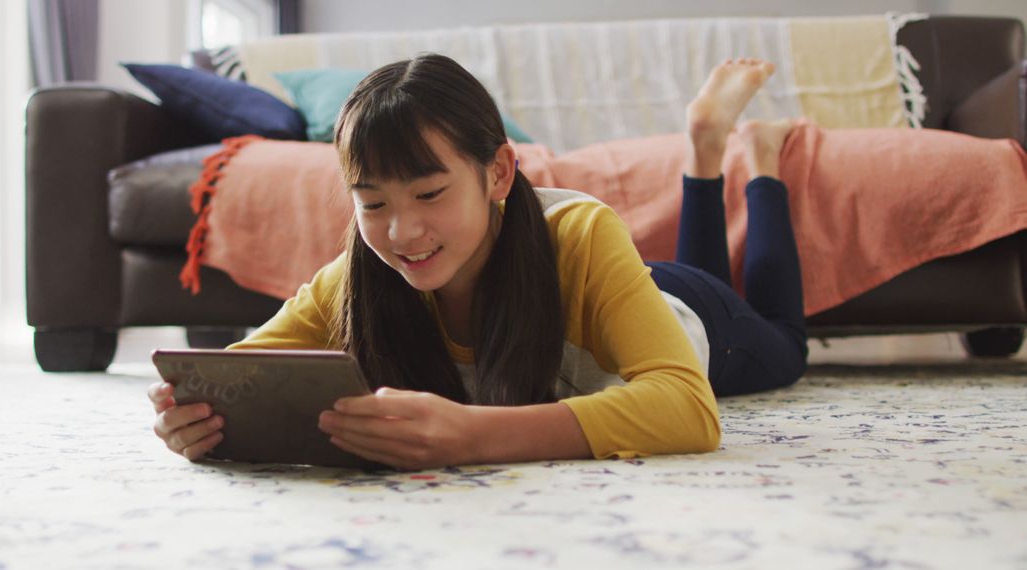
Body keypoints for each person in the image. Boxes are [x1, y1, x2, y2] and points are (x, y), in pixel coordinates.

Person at [147, 54, 808, 470]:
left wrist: (473, 435)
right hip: (627, 293)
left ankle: (758, 162)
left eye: (430, 193)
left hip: (692, 319)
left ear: (497, 173)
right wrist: (195, 414)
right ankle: (706, 152)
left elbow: (688, 411)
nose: (402, 231)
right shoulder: (363, 272)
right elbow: (233, 371)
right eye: (372, 202)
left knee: (781, 336)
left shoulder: (580, 232)